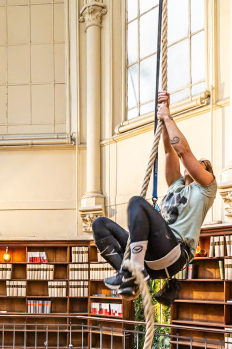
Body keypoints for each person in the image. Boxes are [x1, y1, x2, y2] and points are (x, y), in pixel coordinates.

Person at [92, 91, 217, 305]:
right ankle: (129, 274)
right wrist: (164, 112)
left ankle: (136, 269)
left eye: (201, 163)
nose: (196, 163)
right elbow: (169, 151)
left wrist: (168, 117)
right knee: (100, 224)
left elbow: (183, 153)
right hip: (152, 253)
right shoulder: (176, 185)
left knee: (136, 203)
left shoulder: (206, 188)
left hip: (175, 251)